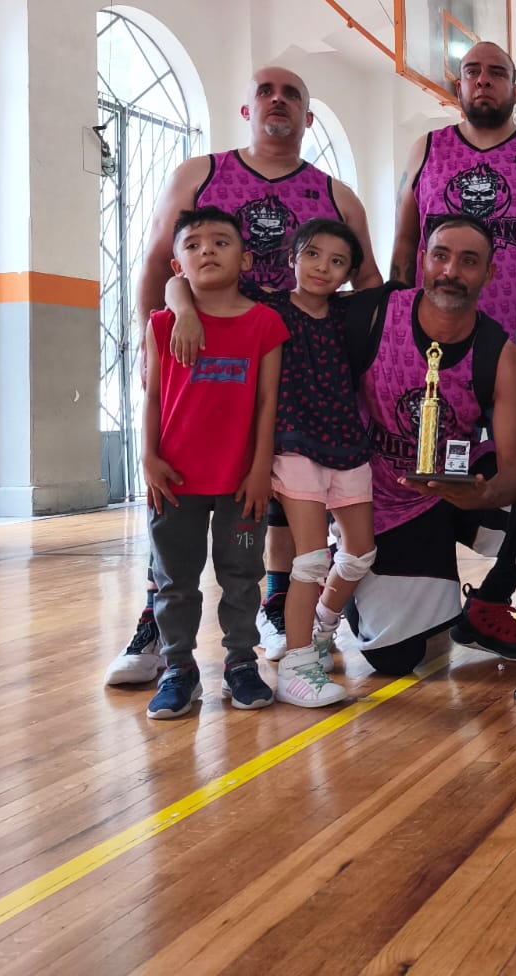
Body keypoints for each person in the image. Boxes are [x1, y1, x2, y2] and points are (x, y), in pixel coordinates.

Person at [105, 66, 382, 687]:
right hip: (205, 367)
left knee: (278, 499)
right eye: (265, 92)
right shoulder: (201, 174)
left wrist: (360, 376)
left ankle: (276, 608)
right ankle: (157, 624)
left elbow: (368, 287)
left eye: (292, 94)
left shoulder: (337, 196)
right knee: (176, 495)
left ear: (309, 117)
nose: (277, 100)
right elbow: (159, 263)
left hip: (296, 373)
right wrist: (151, 347)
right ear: (246, 110)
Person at [390, 41, 516, 638]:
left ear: (515, 89)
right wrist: (399, 325)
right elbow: (405, 242)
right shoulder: (428, 149)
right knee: (433, 473)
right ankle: (430, 591)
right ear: (458, 86)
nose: (483, 81)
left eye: (496, 73)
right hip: (438, 351)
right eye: (472, 72)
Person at [344, 214, 516, 675]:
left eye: (469, 261)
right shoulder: (370, 315)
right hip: (378, 501)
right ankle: (362, 583)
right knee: (395, 660)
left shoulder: (502, 356)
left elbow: (513, 474)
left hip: (455, 491)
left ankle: (488, 604)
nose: (451, 271)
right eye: (441, 256)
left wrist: (483, 494)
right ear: (423, 260)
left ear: (489, 273)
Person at [165, 219, 375, 708]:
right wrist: (183, 310)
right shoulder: (269, 306)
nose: (322, 267)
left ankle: (320, 627)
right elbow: (181, 281)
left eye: (337, 261)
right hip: (293, 444)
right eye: (312, 255)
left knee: (360, 553)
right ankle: (297, 667)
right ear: (292, 259)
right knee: (311, 559)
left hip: (347, 443)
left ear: (348, 274)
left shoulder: (349, 314)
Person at [139, 208, 288, 719]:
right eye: (194, 244)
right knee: (174, 580)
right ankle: (179, 668)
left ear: (245, 259)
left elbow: (267, 402)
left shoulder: (265, 323)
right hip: (173, 478)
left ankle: (241, 662)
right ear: (178, 265)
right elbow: (152, 397)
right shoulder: (163, 324)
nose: (207, 250)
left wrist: (260, 468)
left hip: (240, 480)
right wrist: (148, 456)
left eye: (221, 242)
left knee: (242, 577)